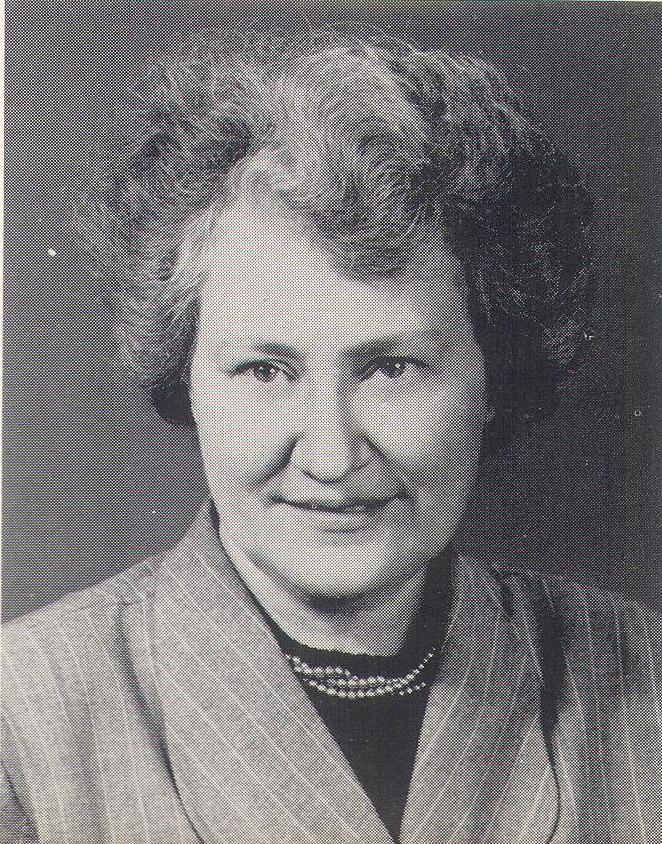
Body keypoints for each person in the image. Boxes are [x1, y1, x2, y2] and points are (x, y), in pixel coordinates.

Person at [2, 32, 661, 844]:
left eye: (391, 368)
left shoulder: (645, 680)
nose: (330, 455)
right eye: (264, 372)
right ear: (187, 377)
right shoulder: (22, 725)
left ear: (496, 372)